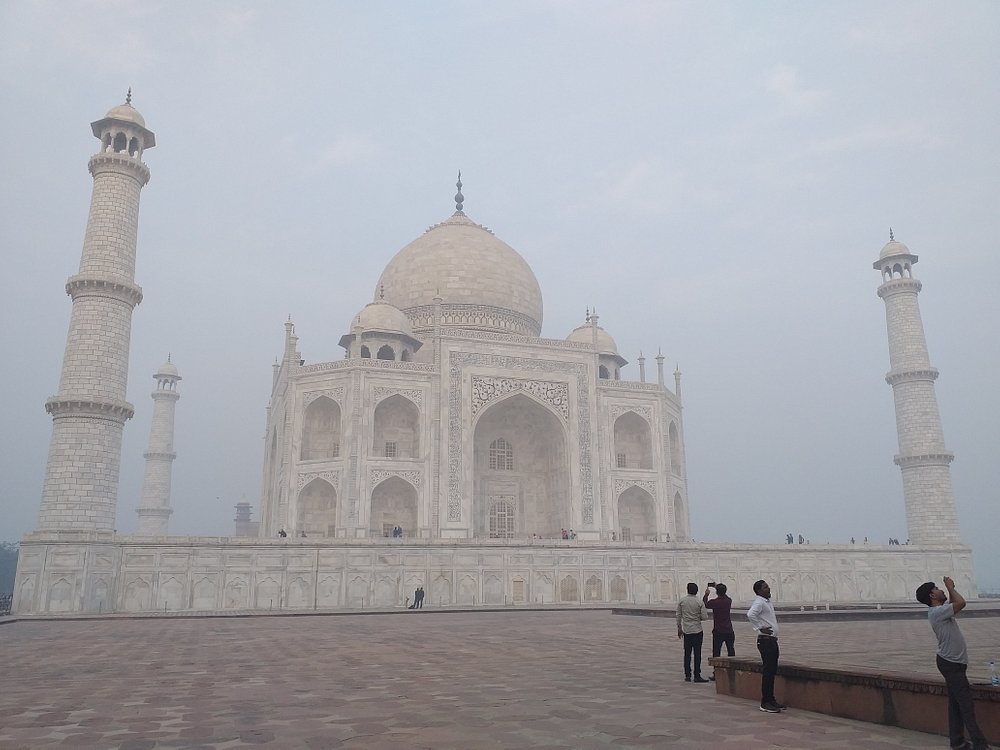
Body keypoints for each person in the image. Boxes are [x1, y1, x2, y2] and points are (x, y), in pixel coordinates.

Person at [916, 577, 990, 750]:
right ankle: (980, 745)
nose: (941, 589)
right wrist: (951, 587)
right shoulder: (937, 613)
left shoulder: (940, 610)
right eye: (937, 588)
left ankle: (957, 742)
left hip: (951, 663)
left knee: (956, 705)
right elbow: (961, 603)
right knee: (966, 705)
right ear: (932, 595)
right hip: (951, 664)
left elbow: (953, 603)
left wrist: (949, 590)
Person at [747, 579, 785, 713]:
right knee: (768, 671)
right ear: (759, 591)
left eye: (767, 586)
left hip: (771, 640)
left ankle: (771, 699)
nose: (768, 589)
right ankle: (765, 702)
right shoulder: (759, 602)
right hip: (765, 641)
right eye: (765, 587)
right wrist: (759, 627)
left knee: (772, 670)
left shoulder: (766, 601)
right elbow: (750, 614)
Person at [676, 582, 710, 683]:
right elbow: (704, 617)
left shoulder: (682, 601)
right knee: (697, 653)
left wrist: (679, 628)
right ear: (697, 590)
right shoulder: (699, 602)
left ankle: (687, 675)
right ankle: (697, 675)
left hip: (687, 630)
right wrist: (696, 617)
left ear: (687, 590)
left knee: (687, 653)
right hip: (697, 630)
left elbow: (678, 615)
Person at [703, 582, 735, 681]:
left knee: (716, 652)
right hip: (729, 630)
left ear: (717, 592)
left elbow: (706, 604)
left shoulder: (715, 602)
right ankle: (732, 670)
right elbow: (724, 594)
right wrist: (717, 586)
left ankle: (716, 673)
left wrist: (706, 594)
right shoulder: (728, 601)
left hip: (718, 631)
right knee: (731, 650)